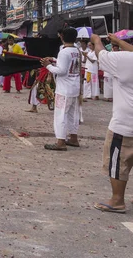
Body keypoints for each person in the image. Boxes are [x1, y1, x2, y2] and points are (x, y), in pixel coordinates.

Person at [91, 34, 133, 213]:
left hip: (126, 123)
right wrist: (119, 42)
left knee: (117, 162)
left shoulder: (125, 59)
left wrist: (97, 41)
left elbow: (101, 56)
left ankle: (117, 200)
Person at [40, 27, 81, 151]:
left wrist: (48, 66)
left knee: (60, 115)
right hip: (74, 87)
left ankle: (60, 141)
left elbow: (62, 71)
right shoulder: (77, 50)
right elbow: (69, 65)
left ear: (62, 36)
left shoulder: (64, 52)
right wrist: (54, 60)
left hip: (64, 89)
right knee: (73, 114)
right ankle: (73, 137)